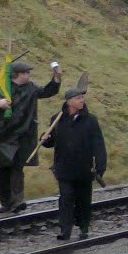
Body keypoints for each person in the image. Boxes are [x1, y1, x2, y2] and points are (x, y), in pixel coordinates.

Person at [0, 61, 61, 213]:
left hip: (24, 134)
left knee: (18, 168)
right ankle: (6, 202)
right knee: (3, 169)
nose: (29, 75)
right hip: (4, 135)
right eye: (26, 72)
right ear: (18, 75)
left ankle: (18, 200)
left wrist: (56, 79)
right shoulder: (1, 87)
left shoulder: (31, 87)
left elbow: (47, 91)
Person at [41, 87, 106, 240]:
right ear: (69, 101)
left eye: (82, 98)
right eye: (78, 98)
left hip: (84, 168)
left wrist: (100, 166)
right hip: (63, 167)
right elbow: (51, 142)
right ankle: (65, 229)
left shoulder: (90, 120)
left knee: (83, 199)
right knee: (66, 198)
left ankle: (83, 227)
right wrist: (44, 138)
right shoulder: (57, 119)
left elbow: (98, 145)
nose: (82, 100)